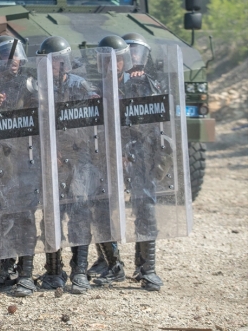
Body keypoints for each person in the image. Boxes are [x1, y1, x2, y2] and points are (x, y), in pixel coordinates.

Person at [93, 33, 164, 291]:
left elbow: (152, 121)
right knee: (99, 207)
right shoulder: (96, 84)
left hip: (139, 155)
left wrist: (127, 151)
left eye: (121, 58)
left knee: (145, 206)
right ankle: (112, 265)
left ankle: (148, 269)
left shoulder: (144, 83)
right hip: (104, 156)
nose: (116, 64)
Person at [35, 36, 103, 295]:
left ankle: (80, 271)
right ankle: (53, 271)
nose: (57, 66)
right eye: (52, 62)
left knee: (80, 211)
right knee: (51, 215)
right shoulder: (37, 89)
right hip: (50, 159)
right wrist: (50, 151)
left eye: (61, 62)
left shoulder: (80, 85)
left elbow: (93, 119)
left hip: (80, 158)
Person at [0, 35, 40, 297]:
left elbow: (42, 120)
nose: (13, 60)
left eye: (16, 54)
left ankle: (26, 274)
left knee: (25, 217)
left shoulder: (29, 84)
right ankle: (2, 273)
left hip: (23, 161)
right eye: (7, 54)